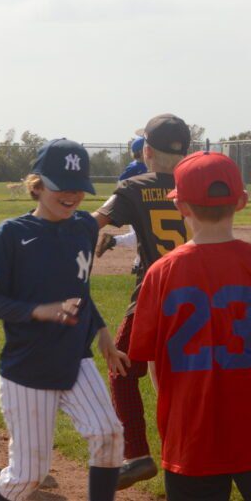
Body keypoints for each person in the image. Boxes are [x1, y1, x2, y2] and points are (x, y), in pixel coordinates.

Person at [0, 138, 126, 501]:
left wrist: (103, 332)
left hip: (76, 357)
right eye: (63, 187)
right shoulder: (12, 233)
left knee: (109, 436)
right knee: (27, 476)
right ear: (39, 184)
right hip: (27, 366)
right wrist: (37, 310)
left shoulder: (84, 228)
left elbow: (82, 289)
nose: (72, 196)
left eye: (80, 188)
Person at [130, 151, 251, 501]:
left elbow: (151, 358)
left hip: (190, 431)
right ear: (241, 201)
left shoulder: (162, 272)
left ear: (181, 206)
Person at [91, 114, 191, 489]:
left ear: (146, 150)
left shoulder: (134, 186)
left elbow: (94, 222)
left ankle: (137, 454)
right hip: (198, 297)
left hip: (154, 295)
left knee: (122, 366)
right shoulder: (193, 184)